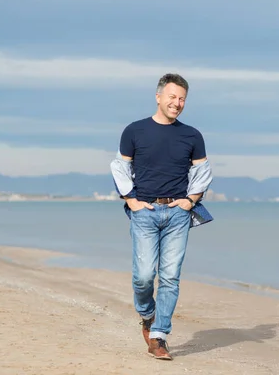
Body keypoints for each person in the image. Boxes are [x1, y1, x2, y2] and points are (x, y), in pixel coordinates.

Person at [110, 73, 213, 360]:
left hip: (178, 215)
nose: (177, 103)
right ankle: (147, 315)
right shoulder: (134, 131)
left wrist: (190, 200)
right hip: (145, 211)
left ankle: (159, 336)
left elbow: (203, 172)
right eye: (172, 96)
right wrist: (131, 200)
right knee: (143, 277)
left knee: (170, 277)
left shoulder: (192, 135)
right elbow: (119, 167)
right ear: (158, 97)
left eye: (182, 99)